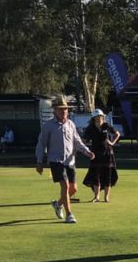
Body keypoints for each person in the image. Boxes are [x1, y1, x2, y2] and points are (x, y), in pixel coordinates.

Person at [35, 95, 95, 224]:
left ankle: (57, 204)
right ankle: (69, 214)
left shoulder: (71, 124)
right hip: (56, 161)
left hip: (70, 161)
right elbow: (41, 144)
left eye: (66, 109)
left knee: (73, 189)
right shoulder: (48, 126)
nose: (64, 111)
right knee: (65, 186)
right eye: (61, 109)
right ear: (55, 110)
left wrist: (87, 151)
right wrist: (39, 161)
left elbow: (77, 141)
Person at [82, 109, 120, 202]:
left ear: (103, 117)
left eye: (100, 117)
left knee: (108, 175)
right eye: (97, 117)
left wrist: (112, 143)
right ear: (94, 118)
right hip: (95, 154)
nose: (99, 118)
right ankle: (96, 197)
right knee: (96, 175)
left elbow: (117, 134)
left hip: (107, 154)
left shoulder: (106, 126)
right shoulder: (90, 128)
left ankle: (106, 197)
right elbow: (85, 140)